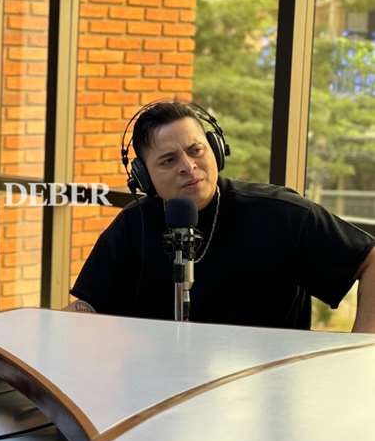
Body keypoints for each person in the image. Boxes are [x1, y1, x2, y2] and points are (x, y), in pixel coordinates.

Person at [68, 100, 375, 332]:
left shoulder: (281, 214)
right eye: (168, 160)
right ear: (144, 178)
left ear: (215, 149)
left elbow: (369, 259)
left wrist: (361, 353)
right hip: (157, 392)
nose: (187, 166)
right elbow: (89, 305)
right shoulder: (133, 225)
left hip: (266, 394)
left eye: (196, 150)